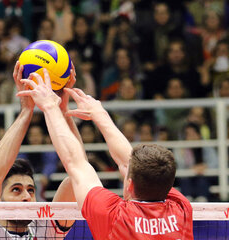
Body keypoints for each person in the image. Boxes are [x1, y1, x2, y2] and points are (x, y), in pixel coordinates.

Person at [17, 69, 193, 239]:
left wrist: (50, 106)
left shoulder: (114, 216)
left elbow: (76, 164)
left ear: (130, 184)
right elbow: (127, 163)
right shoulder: (182, 208)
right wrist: (97, 115)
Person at [0, 62, 79, 239]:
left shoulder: (46, 230)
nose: (27, 196)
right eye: (16, 190)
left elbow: (79, 172)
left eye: (31, 190)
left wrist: (62, 110)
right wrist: (26, 110)